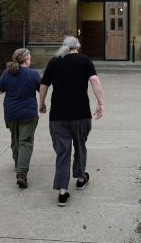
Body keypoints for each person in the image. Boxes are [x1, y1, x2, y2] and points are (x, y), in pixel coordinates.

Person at [39, 36, 104, 206]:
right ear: (78, 47)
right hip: (81, 113)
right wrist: (101, 103)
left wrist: (42, 102)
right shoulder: (85, 61)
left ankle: (62, 192)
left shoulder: (54, 62)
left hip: (58, 116)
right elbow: (95, 80)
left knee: (63, 152)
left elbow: (44, 85)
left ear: (64, 47)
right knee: (80, 145)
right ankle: (81, 178)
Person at [0, 48, 41, 189]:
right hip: (28, 114)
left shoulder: (7, 72)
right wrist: (43, 103)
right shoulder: (33, 74)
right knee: (25, 142)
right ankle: (21, 173)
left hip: (11, 113)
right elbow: (42, 89)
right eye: (30, 57)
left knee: (16, 141)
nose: (31, 60)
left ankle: (18, 165)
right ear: (26, 59)